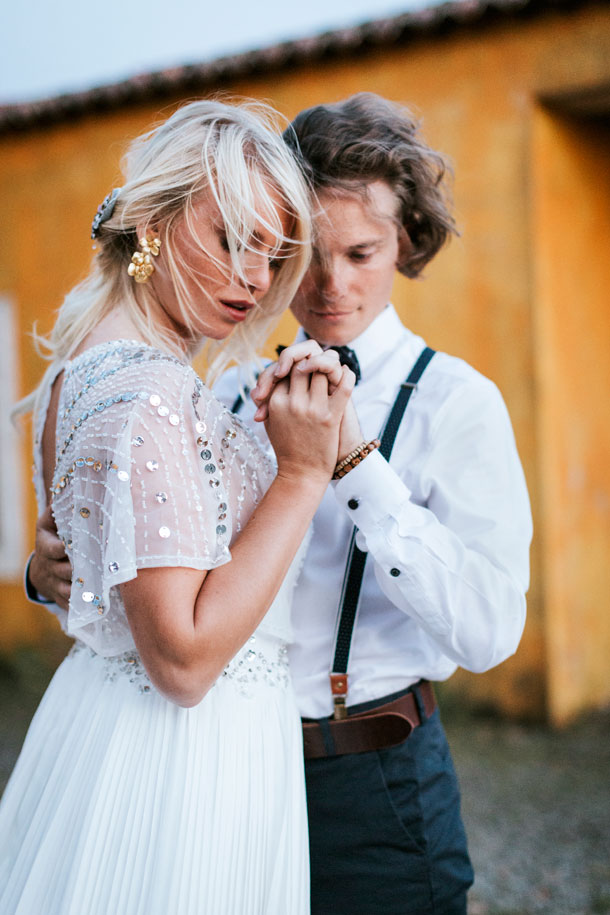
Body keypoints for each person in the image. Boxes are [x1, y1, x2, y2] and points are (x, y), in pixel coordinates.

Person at [27, 93, 533, 915]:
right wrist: (52, 570)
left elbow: (489, 629)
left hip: (370, 779)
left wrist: (357, 465)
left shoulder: (458, 403)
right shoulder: (217, 391)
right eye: (305, 254)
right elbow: (154, 589)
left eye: (362, 252)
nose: (330, 285)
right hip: (215, 773)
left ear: (404, 242)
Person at [0, 98, 361, 915]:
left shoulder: (79, 373)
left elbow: (84, 575)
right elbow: (185, 658)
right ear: (154, 223)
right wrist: (302, 475)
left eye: (272, 255)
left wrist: (38, 573)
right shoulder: (149, 392)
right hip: (180, 769)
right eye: (232, 239)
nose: (255, 279)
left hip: (114, 735)